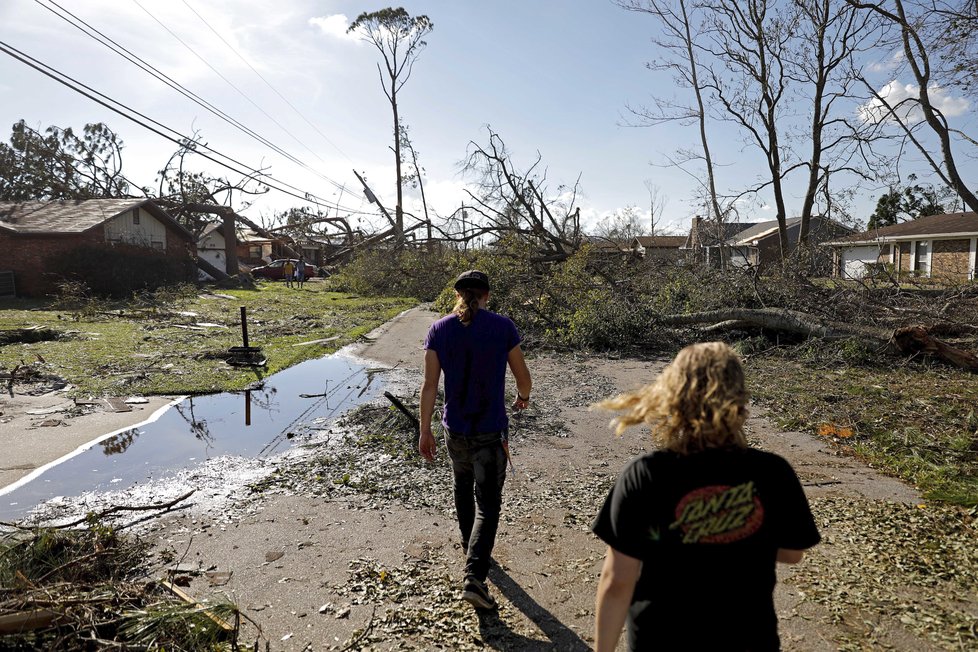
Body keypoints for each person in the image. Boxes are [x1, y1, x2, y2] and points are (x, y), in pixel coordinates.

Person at [591, 342, 820, 652]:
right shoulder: (773, 472)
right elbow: (793, 553)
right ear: (740, 401)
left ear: (672, 398)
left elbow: (618, 581)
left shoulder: (644, 475)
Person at [419, 270, 532, 611]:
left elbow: (429, 386)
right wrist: (522, 397)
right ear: (486, 295)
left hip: (455, 430)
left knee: (462, 487)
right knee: (489, 503)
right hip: (490, 430)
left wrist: (424, 430)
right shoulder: (502, 327)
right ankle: (475, 577)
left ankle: (472, 549)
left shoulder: (438, 330)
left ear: (456, 295)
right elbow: (523, 378)